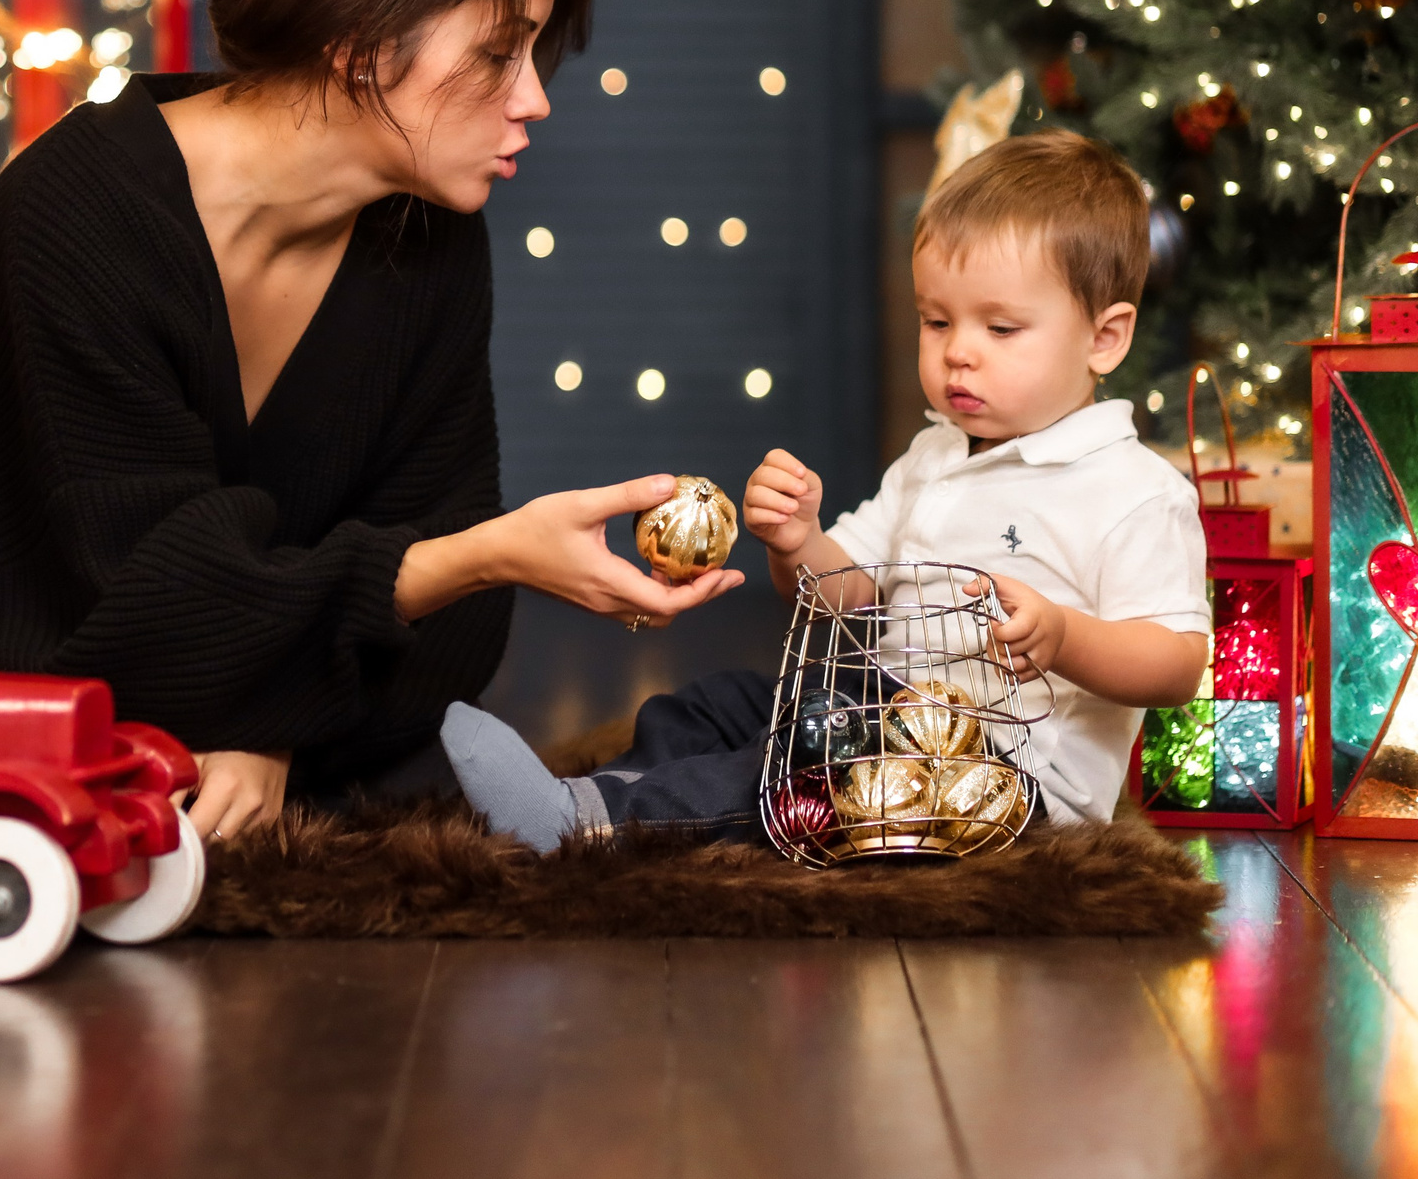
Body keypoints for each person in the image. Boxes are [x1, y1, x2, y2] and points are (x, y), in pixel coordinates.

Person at [0, 0, 744, 840]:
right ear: (358, 48)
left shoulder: (426, 235)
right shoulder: (83, 213)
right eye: (497, 55)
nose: (532, 99)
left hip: (169, 690)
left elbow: (449, 640)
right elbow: (130, 616)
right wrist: (473, 560)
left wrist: (266, 720)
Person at [445, 131, 1211, 845]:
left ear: (1105, 337)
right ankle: (613, 786)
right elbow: (842, 590)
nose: (958, 355)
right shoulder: (936, 456)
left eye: (1000, 329)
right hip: (880, 711)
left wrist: (1067, 637)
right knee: (732, 701)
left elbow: (1177, 663)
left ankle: (596, 822)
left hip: (999, 777)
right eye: (936, 322)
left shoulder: (1133, 490)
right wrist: (798, 539)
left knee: (800, 770)